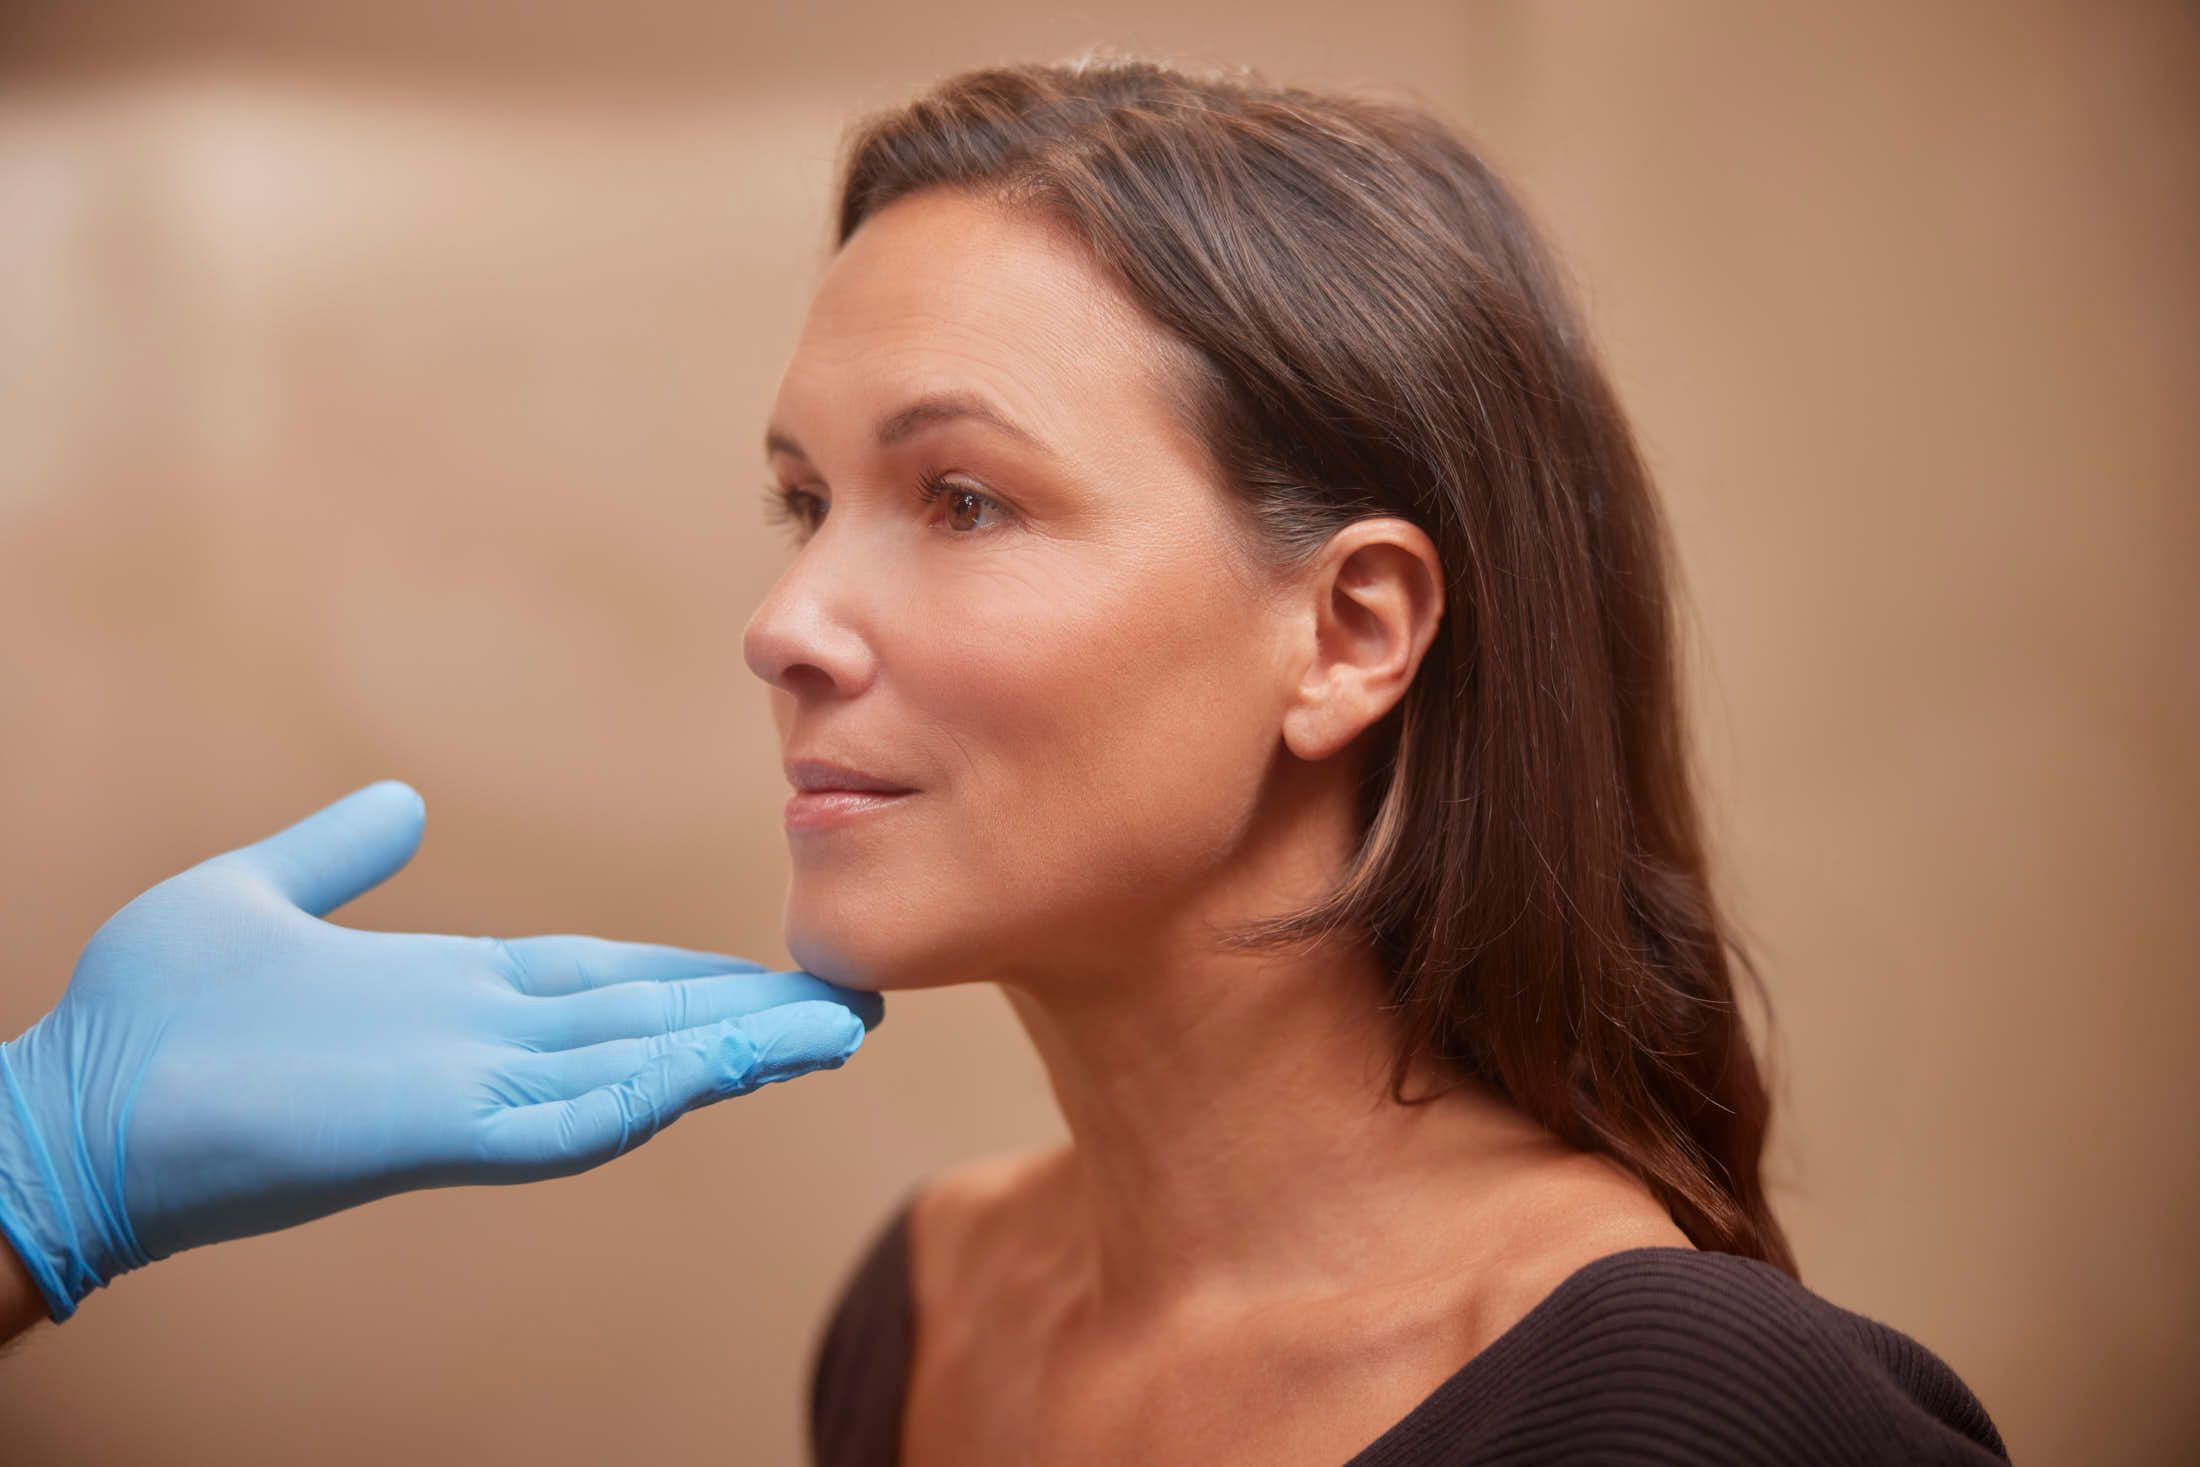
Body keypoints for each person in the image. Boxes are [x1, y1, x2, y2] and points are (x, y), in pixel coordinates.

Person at [757, 58, 2012, 1465]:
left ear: (1350, 633)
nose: (782, 626)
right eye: (803, 502)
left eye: (963, 502)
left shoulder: (1690, 1412)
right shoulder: (925, 1312)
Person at [0, 779, 881, 1343]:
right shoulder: (904, 1305)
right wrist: (45, 1168)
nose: (772, 628)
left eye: (946, 538)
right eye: (802, 534)